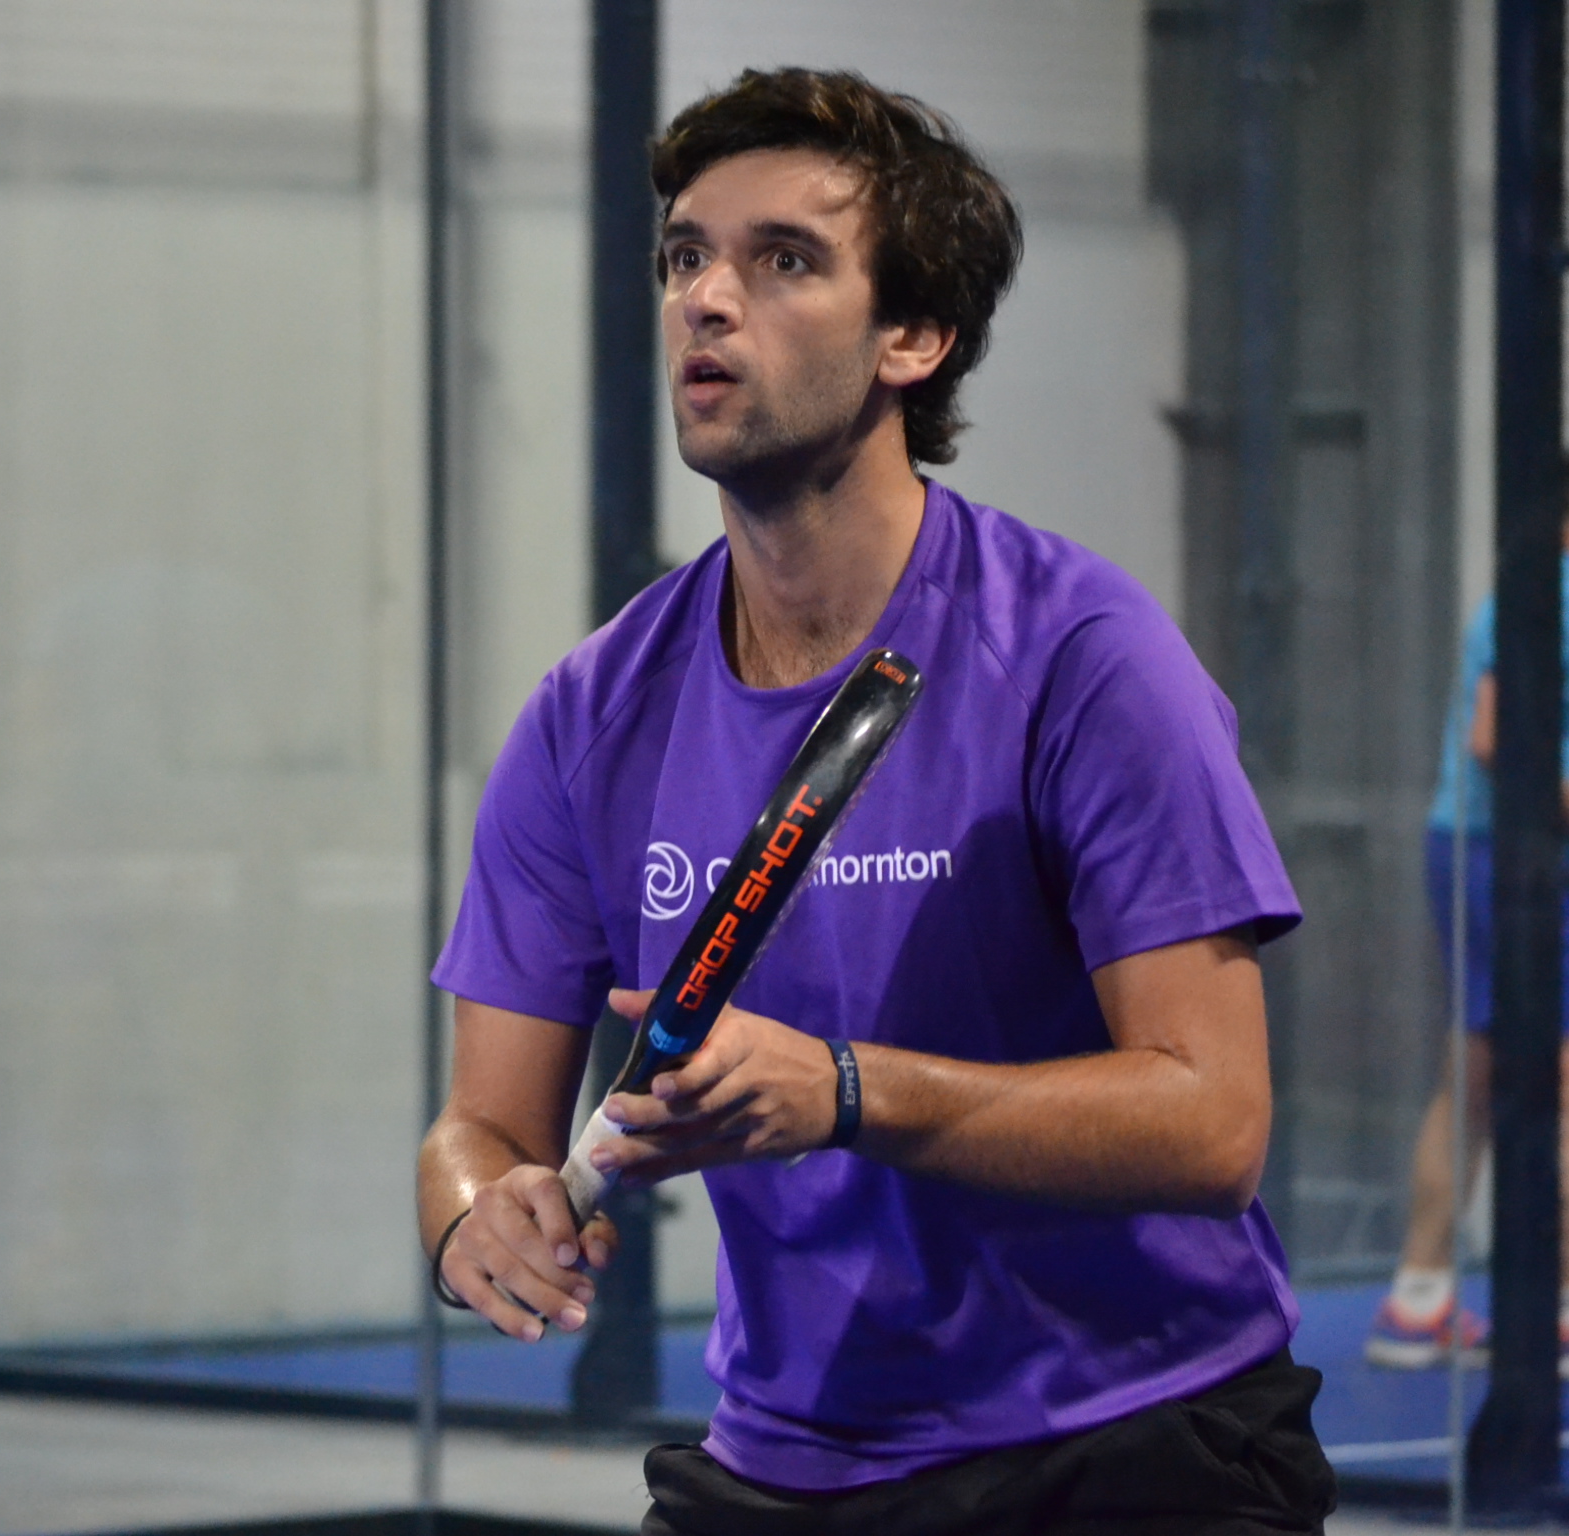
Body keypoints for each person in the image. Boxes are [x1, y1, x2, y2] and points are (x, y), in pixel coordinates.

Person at [417, 67, 1336, 1535]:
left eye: (784, 260)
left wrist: (845, 1092)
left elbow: (1214, 1121)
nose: (709, 300)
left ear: (913, 337)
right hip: (782, 1466)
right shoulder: (589, 716)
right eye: (686, 256)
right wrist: (479, 1213)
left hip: (1129, 1443)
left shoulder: (1085, 657)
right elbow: (479, 1125)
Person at [1365, 531, 1569, 1370]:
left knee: (1474, 1074)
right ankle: (1556, 1310)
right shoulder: (1547, 594)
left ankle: (1418, 1299)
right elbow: (1496, 739)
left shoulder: (1527, 593)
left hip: (1488, 851)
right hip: (1507, 855)